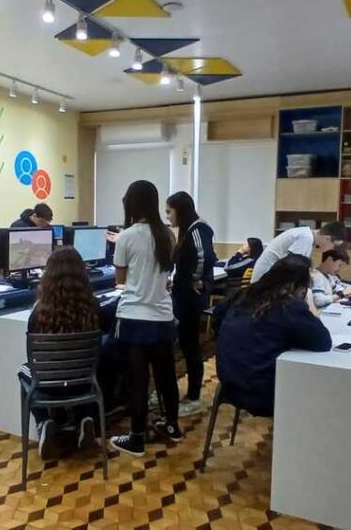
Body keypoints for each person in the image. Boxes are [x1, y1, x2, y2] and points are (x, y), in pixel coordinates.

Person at [110, 180, 182, 457]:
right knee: (166, 377)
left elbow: (120, 279)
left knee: (138, 381)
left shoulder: (127, 237)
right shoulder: (167, 235)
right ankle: (172, 426)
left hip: (134, 318)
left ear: (131, 203)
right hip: (162, 317)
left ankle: (137, 438)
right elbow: (165, 275)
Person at [213, 256, 332, 416]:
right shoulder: (288, 304)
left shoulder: (241, 294)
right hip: (262, 394)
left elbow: (217, 319)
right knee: (318, 389)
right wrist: (308, 301)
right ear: (300, 285)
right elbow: (323, 342)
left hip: (229, 383)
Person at [20, 247, 103, 459]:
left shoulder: (39, 311)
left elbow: (32, 355)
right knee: (88, 364)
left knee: (23, 369)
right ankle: (85, 418)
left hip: (48, 384)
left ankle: (43, 422)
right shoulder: (93, 306)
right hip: (84, 381)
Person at [166, 191, 216, 417]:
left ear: (180, 210)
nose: (167, 216)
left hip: (189, 298)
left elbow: (204, 257)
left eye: (169, 211)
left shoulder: (198, 229)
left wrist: (195, 279)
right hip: (182, 294)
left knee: (190, 346)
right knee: (186, 345)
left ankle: (194, 396)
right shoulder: (188, 230)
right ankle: (183, 392)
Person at [250, 222, 347, 283]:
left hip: (272, 275)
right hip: (266, 278)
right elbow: (293, 267)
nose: (332, 249)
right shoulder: (306, 238)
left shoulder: (307, 236)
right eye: (334, 246)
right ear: (327, 239)